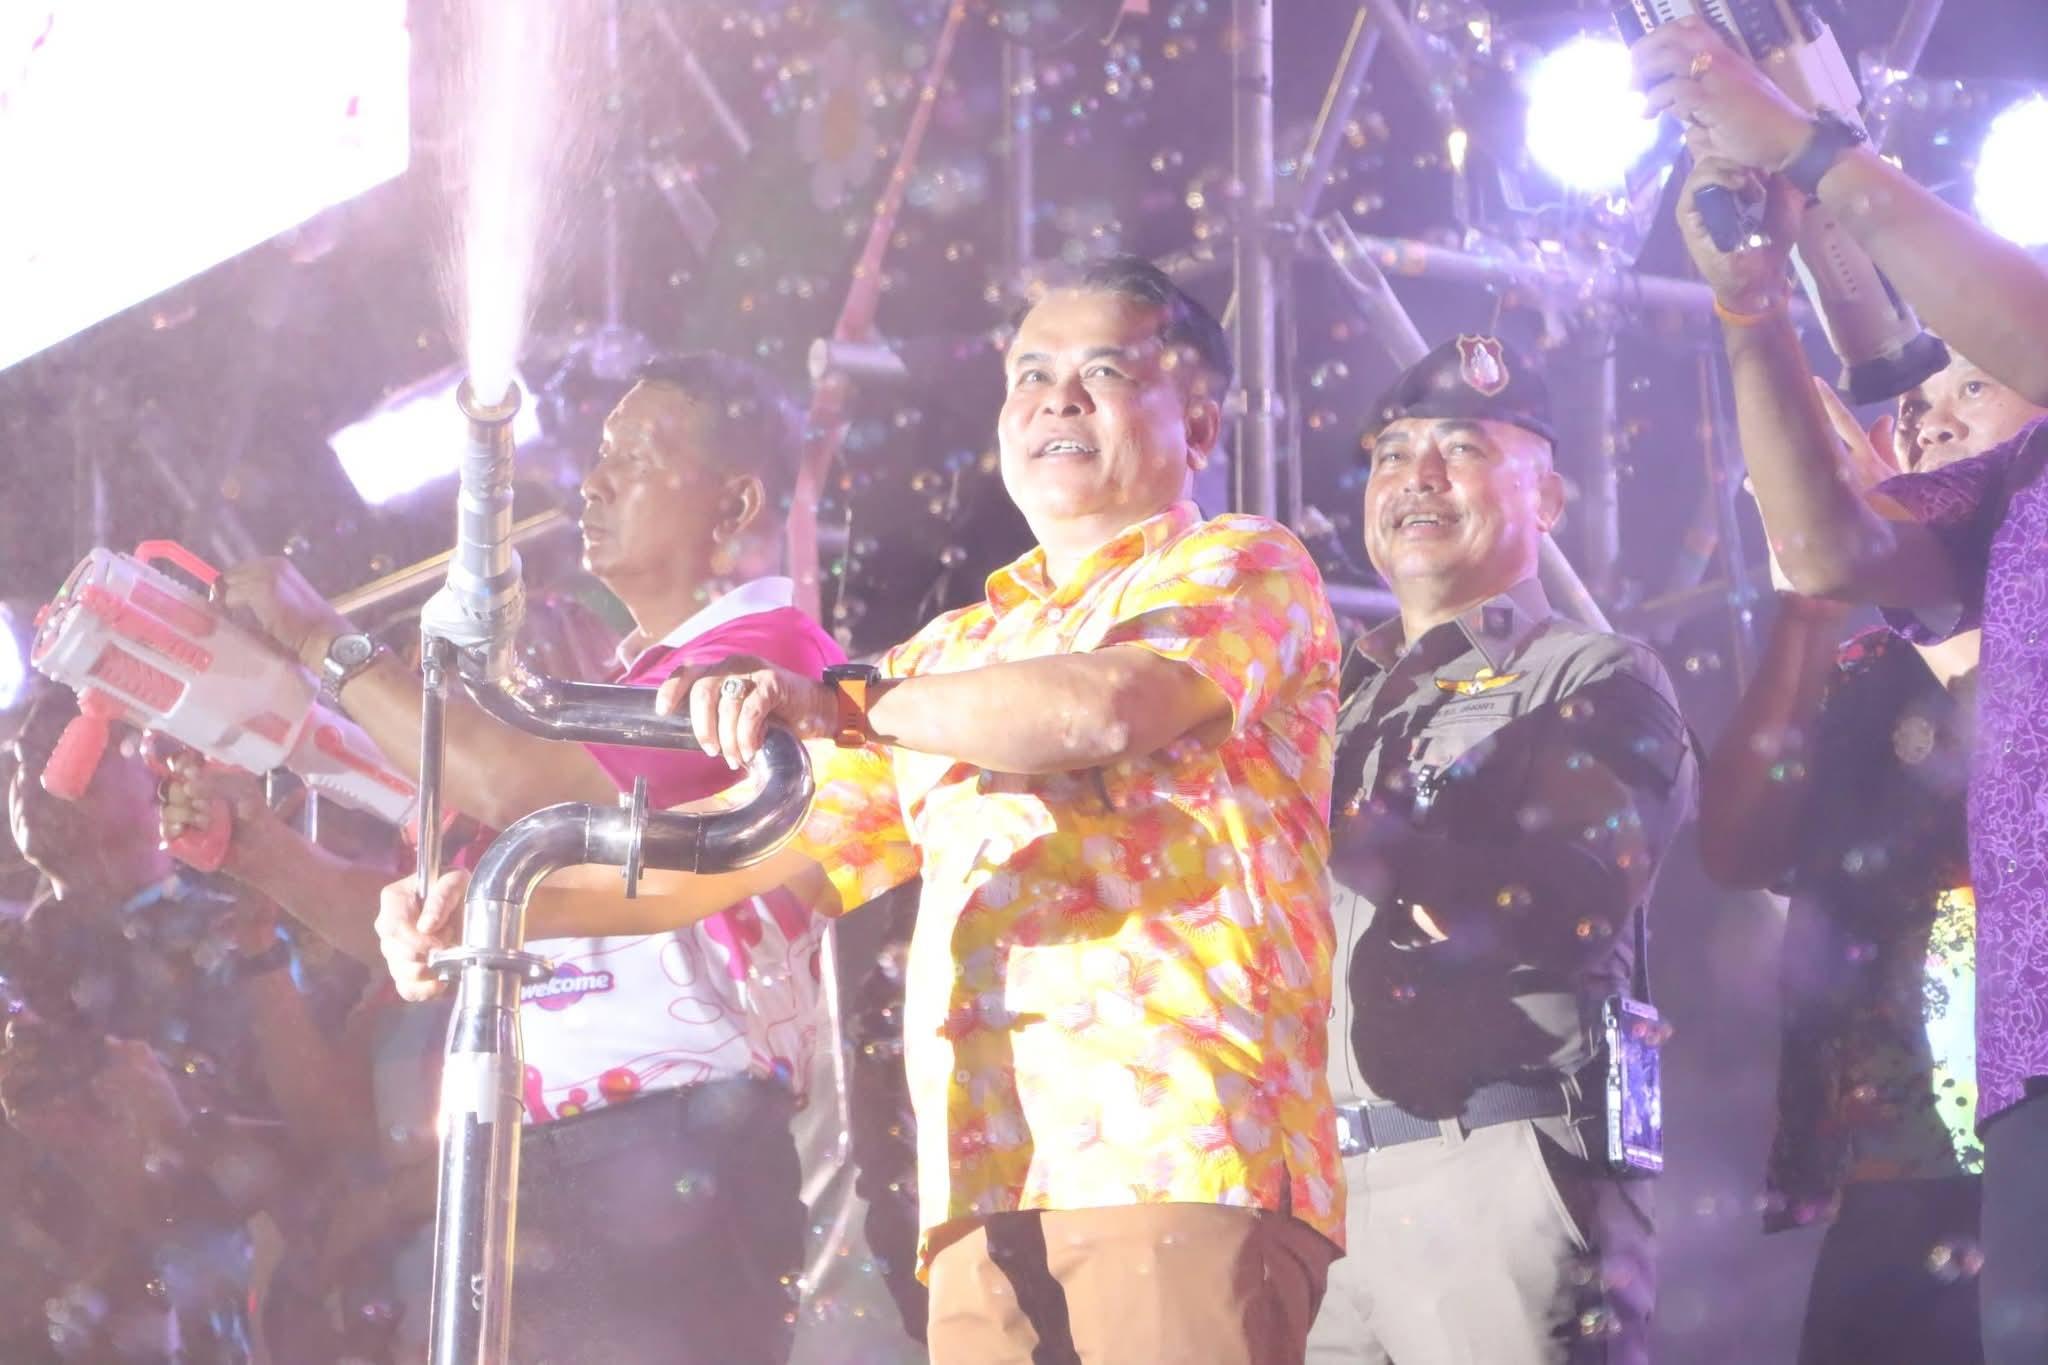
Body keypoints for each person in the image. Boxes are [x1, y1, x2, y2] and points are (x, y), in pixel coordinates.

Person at [380, 255, 1347, 1365]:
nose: (1057, 401)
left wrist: (842, 701)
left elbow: (1105, 707)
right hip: (983, 1187)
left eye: (1105, 373)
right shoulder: (946, 656)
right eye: (1030, 376)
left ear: (1202, 425)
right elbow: (732, 862)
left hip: (1178, 1150)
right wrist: (484, 913)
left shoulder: (1241, 564)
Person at [203, 352, 845, 1364]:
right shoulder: (640, 683)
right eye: (599, 455)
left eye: (635, 458)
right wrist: (269, 856)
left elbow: (505, 783)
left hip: (672, 1148)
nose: (593, 484)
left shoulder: (760, 656)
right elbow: (484, 882)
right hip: (574, 1155)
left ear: (735, 505)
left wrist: (327, 641)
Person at [1640, 20, 2048, 1358]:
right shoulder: (1991, 510)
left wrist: (1805, 144)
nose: (1924, 412)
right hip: (1997, 1084)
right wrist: (1750, 307)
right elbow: (1826, 544)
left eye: (1969, 380)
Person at [1303, 336, 1697, 1365]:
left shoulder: (1594, 676)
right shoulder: (1321, 706)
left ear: (1547, 500)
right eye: (1393, 455)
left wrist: (1370, 838)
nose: (1417, 477)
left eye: (1462, 449)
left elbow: (1569, 897)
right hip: (1314, 1197)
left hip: (1490, 1168)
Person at [1703, 352, 2047, 1365]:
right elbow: (1735, 846)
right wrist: (1811, 600)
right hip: (1890, 1172)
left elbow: (2009, 736)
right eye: (1909, 406)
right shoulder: (1863, 671)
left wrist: (1882, 554)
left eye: (1970, 386)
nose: (1927, 422)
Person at [1, 684, 348, 1361]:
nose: (36, 779)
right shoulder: (16, 961)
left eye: (76, 751)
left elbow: (317, 1146)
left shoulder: (244, 930)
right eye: (20, 759)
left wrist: (176, 1129)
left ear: (156, 778)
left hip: (202, 1310)